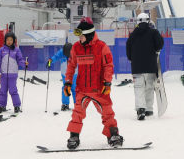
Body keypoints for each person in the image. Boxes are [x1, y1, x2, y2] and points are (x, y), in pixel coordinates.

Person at [65, 17, 122, 149]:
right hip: (82, 89)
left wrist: (107, 83)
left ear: (89, 35)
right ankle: (74, 136)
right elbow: (71, 66)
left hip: (99, 89)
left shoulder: (102, 47)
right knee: (77, 114)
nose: (80, 39)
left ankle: (113, 135)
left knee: (107, 113)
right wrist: (68, 82)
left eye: (82, 36)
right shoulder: (76, 47)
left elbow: (108, 65)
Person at [125, 12, 164, 119]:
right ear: (148, 20)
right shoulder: (153, 32)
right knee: (149, 87)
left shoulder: (132, 35)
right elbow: (160, 44)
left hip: (137, 67)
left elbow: (128, 49)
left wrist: (132, 59)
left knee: (139, 88)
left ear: (137, 21)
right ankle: (149, 109)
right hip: (151, 66)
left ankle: (141, 109)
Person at [0, 31, 27, 113]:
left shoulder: (16, 50)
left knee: (13, 90)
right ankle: (2, 105)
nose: (9, 41)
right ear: (5, 41)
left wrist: (24, 64)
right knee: (2, 91)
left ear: (13, 41)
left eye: (11, 40)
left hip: (13, 75)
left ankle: (16, 106)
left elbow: (20, 60)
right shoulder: (2, 50)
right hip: (3, 75)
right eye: (7, 40)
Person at [47, 43, 76, 111]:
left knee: (75, 88)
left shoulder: (77, 52)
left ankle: (77, 104)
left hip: (75, 74)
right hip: (65, 73)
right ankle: (65, 104)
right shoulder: (62, 51)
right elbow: (56, 57)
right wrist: (50, 61)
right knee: (66, 88)